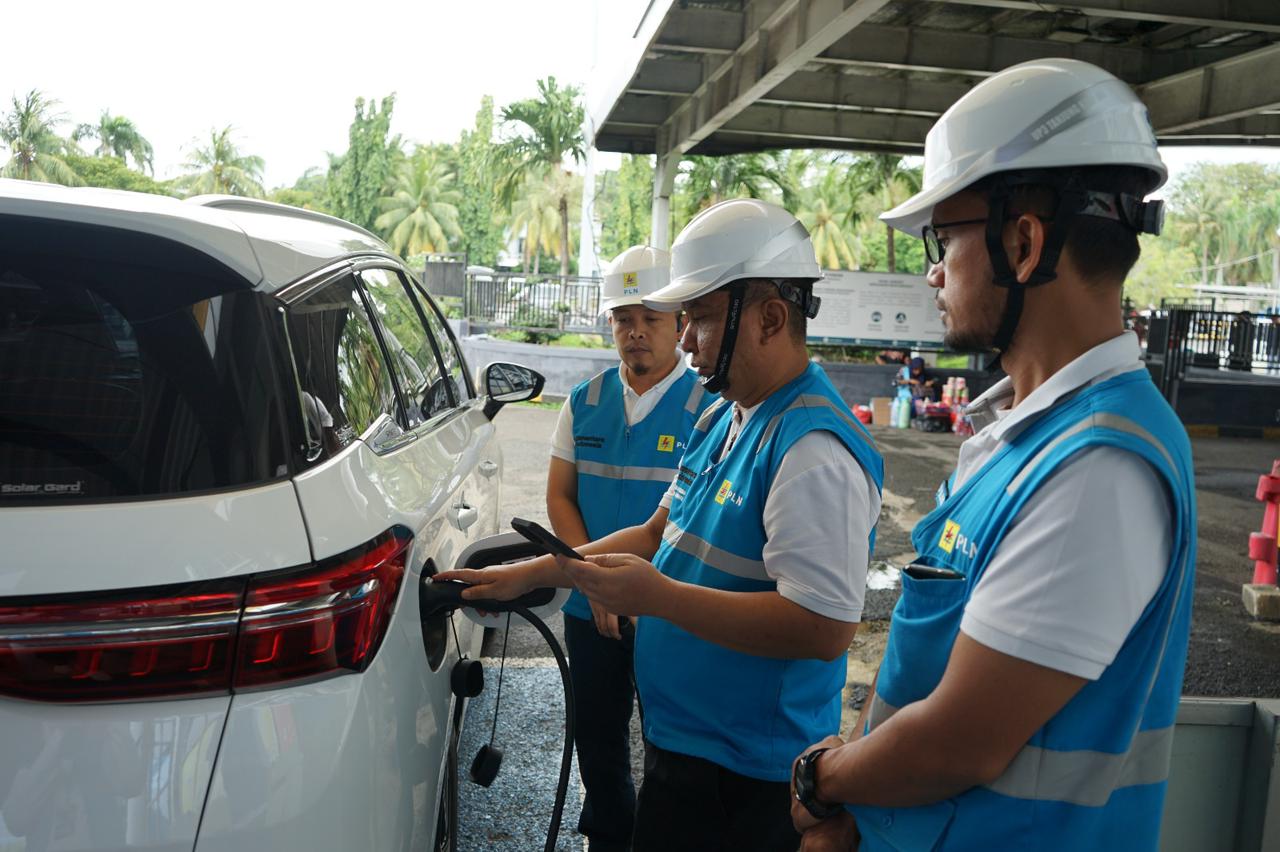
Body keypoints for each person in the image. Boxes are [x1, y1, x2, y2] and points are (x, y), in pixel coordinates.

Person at [788, 58, 1197, 852]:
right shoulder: (1022, 433)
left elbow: (958, 742)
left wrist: (820, 779)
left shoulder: (1096, 468)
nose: (935, 272)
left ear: (1023, 238)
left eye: (944, 239)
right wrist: (861, 808)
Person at [437, 199, 883, 851]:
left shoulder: (811, 448)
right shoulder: (725, 419)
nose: (685, 338)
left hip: (747, 778)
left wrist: (658, 598)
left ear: (770, 317)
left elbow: (823, 628)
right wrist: (532, 574)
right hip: (688, 754)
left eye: (698, 317)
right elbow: (654, 534)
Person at [545, 245, 716, 852]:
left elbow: (686, 523)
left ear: (678, 324)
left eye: (650, 317)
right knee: (596, 740)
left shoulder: (710, 408)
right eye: (623, 317)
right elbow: (560, 497)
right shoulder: (583, 401)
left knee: (669, 742)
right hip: (584, 608)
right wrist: (591, 577)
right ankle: (611, 841)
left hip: (663, 608)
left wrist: (632, 587)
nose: (636, 332)